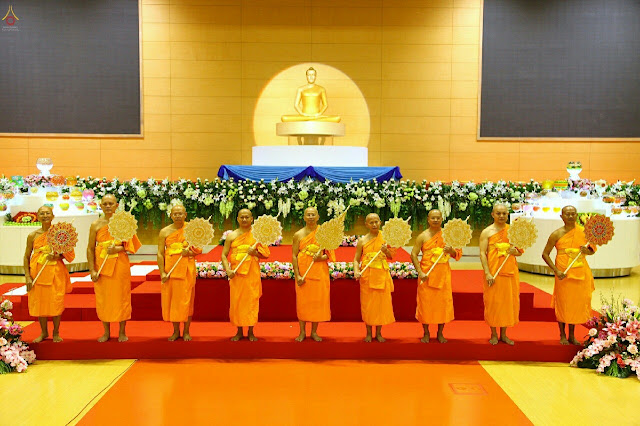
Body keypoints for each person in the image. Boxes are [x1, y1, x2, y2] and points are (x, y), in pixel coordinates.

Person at [87, 195, 141, 342]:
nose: (108, 206)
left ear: (116, 205)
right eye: (105, 204)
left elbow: (131, 246)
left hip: (119, 264)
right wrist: (92, 269)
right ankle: (106, 331)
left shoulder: (123, 222)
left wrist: (117, 249)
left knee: (122, 297)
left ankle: (122, 331)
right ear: (100, 206)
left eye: (111, 203)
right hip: (102, 265)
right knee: (104, 298)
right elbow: (90, 248)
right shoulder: (96, 225)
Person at [541, 205, 595, 345]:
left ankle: (572, 335)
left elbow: (592, 250)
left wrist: (587, 251)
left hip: (580, 272)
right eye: (567, 214)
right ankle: (562, 334)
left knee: (575, 304)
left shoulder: (584, 232)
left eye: (573, 214)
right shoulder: (556, 234)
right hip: (563, 273)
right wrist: (556, 270)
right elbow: (545, 254)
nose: (570, 216)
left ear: (577, 215)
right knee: (563, 303)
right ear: (562, 216)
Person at [23, 206, 75, 343]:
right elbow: (26, 256)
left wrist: (57, 256)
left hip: (55, 273)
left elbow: (69, 254)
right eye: (42, 213)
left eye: (48, 213)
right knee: (41, 303)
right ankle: (44, 332)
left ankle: (56, 332)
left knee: (56, 302)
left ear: (53, 216)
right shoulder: (33, 236)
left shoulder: (60, 233)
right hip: (38, 273)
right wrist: (27, 276)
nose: (45, 215)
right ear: (37, 217)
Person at [410, 209, 462, 343]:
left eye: (438, 218)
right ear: (428, 219)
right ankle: (426, 332)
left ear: (442, 219)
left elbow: (457, 254)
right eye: (433, 218)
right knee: (425, 304)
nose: (435, 220)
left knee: (442, 305)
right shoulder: (422, 236)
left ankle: (440, 332)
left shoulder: (448, 235)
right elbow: (414, 254)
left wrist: (451, 250)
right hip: (426, 275)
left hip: (443, 275)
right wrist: (420, 272)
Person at [221, 209, 270, 342]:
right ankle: (239, 331)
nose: (244, 219)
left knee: (251, 302)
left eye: (247, 217)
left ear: (252, 219)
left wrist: (255, 253)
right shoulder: (232, 236)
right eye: (241, 217)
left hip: (251, 274)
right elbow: (224, 255)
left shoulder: (257, 236)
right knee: (237, 302)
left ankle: (251, 331)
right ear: (237, 219)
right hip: (236, 274)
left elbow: (266, 254)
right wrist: (228, 270)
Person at [479, 203, 522, 345]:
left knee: (507, 303)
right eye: (498, 213)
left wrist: (514, 252)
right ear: (493, 214)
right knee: (493, 302)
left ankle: (504, 334)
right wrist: (487, 273)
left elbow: (519, 252)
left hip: (509, 271)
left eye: (504, 213)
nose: (501, 216)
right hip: (493, 272)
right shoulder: (487, 232)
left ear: (508, 214)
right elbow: (482, 253)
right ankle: (493, 333)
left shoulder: (513, 231)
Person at [157, 204, 201, 341]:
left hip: (186, 269)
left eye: (180, 213)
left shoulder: (191, 230)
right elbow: (160, 253)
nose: (177, 216)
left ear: (185, 215)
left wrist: (190, 252)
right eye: (175, 214)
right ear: (170, 215)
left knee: (186, 300)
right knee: (173, 301)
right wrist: (162, 272)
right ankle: (176, 331)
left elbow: (198, 249)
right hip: (170, 270)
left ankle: (186, 331)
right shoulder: (164, 232)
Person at [292, 207, 335, 342]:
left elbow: (329, 255)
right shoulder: (298, 235)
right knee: (303, 302)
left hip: (319, 271)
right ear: (304, 217)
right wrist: (297, 275)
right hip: (304, 272)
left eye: (313, 214)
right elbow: (294, 255)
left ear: (318, 217)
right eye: (308, 215)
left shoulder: (324, 234)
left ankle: (314, 332)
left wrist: (320, 258)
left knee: (317, 302)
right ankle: (302, 331)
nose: (311, 217)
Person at [353, 213, 395, 342]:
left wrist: (386, 251)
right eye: (371, 222)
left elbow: (391, 256)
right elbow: (356, 259)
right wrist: (356, 270)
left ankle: (379, 333)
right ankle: (368, 332)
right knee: (368, 305)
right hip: (367, 275)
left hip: (381, 275)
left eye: (376, 222)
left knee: (380, 305)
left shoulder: (386, 238)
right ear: (366, 224)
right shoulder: (362, 241)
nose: (374, 224)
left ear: (380, 222)